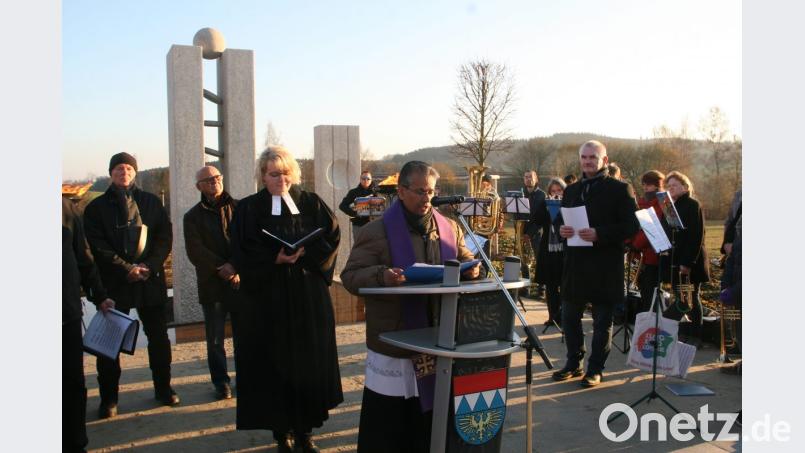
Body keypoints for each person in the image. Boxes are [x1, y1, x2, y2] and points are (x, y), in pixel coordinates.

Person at [341, 161, 481, 453]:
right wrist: (382, 276)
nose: (427, 198)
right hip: (397, 341)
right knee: (391, 429)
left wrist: (472, 269)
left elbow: (465, 258)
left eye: (431, 191)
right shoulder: (376, 231)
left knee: (431, 427)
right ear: (402, 191)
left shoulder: (449, 227)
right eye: (420, 191)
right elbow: (350, 276)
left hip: (440, 340)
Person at [229, 146, 343, 453]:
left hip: (307, 296)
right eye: (274, 174)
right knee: (273, 365)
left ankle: (306, 431)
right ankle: (282, 433)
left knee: (307, 364)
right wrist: (273, 259)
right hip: (268, 299)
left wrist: (306, 253)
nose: (281, 179)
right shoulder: (249, 208)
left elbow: (332, 235)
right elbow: (241, 249)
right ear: (262, 176)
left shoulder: (310, 202)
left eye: (286, 173)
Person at [83, 152, 178, 418]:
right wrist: (126, 268)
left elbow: (164, 237)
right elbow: (96, 245)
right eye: (118, 168)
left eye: (128, 168)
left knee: (158, 339)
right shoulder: (96, 208)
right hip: (114, 283)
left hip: (149, 280)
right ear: (110, 173)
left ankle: (163, 388)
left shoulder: (150, 202)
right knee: (109, 344)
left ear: (134, 172)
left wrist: (149, 266)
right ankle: (109, 398)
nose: (123, 172)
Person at [553, 140, 639, 387]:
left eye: (593, 157)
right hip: (575, 265)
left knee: (602, 322)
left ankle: (595, 369)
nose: (588, 161)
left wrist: (600, 233)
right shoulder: (571, 190)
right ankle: (574, 362)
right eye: (584, 157)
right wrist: (562, 230)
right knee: (569, 317)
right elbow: (559, 221)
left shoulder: (620, 189)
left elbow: (632, 225)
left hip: (605, 265)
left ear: (604, 160)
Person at [183, 165, 240, 400]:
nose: (214, 181)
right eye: (208, 180)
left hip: (239, 282)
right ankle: (221, 382)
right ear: (199, 186)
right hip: (212, 284)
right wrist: (221, 267)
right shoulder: (192, 217)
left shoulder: (240, 208)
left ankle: (246, 378)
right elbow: (195, 250)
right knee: (215, 339)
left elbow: (247, 242)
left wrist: (235, 266)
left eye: (217, 177)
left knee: (244, 335)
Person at [63, 197, 115, 452]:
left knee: (72, 383)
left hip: (65, 313)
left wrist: (100, 295)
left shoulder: (64, 208)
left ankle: (75, 443)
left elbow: (83, 258)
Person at [662, 171, 711, 348]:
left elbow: (696, 236)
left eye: (674, 185)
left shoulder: (692, 204)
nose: (671, 189)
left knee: (691, 298)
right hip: (675, 260)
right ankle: (684, 333)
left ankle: (696, 336)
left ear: (685, 186)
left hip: (691, 261)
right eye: (668, 186)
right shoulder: (670, 206)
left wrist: (687, 262)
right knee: (681, 297)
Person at [629, 170, 666, 312]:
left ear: (657, 185)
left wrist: (635, 244)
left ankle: (652, 319)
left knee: (651, 290)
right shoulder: (642, 202)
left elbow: (650, 228)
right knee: (644, 288)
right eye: (644, 184)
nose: (645, 187)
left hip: (654, 253)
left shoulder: (662, 202)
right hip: (642, 254)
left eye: (648, 185)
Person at [533, 178, 566, 326]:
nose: (557, 193)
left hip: (564, 249)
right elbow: (537, 220)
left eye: (559, 190)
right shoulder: (545, 203)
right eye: (553, 191)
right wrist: (547, 209)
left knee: (564, 284)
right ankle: (553, 316)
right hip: (549, 249)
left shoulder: (569, 203)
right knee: (551, 285)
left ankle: (564, 316)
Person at [720, 189, 742, 374]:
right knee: (740, 325)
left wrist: (735, 290)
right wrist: (725, 285)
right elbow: (732, 259)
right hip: (736, 280)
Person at [521, 170, 547, 298]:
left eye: (530, 177)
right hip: (522, 232)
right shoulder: (520, 194)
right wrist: (522, 233)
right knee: (523, 261)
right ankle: (526, 288)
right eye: (526, 177)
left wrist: (529, 234)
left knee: (540, 261)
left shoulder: (542, 195)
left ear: (536, 179)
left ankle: (541, 290)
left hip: (537, 233)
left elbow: (541, 218)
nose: (528, 179)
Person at [339, 170, 377, 241]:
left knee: (372, 246)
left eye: (368, 179)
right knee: (359, 246)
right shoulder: (353, 192)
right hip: (358, 225)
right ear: (360, 179)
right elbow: (342, 206)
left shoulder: (376, 192)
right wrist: (355, 213)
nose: (366, 180)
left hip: (373, 225)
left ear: (371, 180)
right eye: (363, 178)